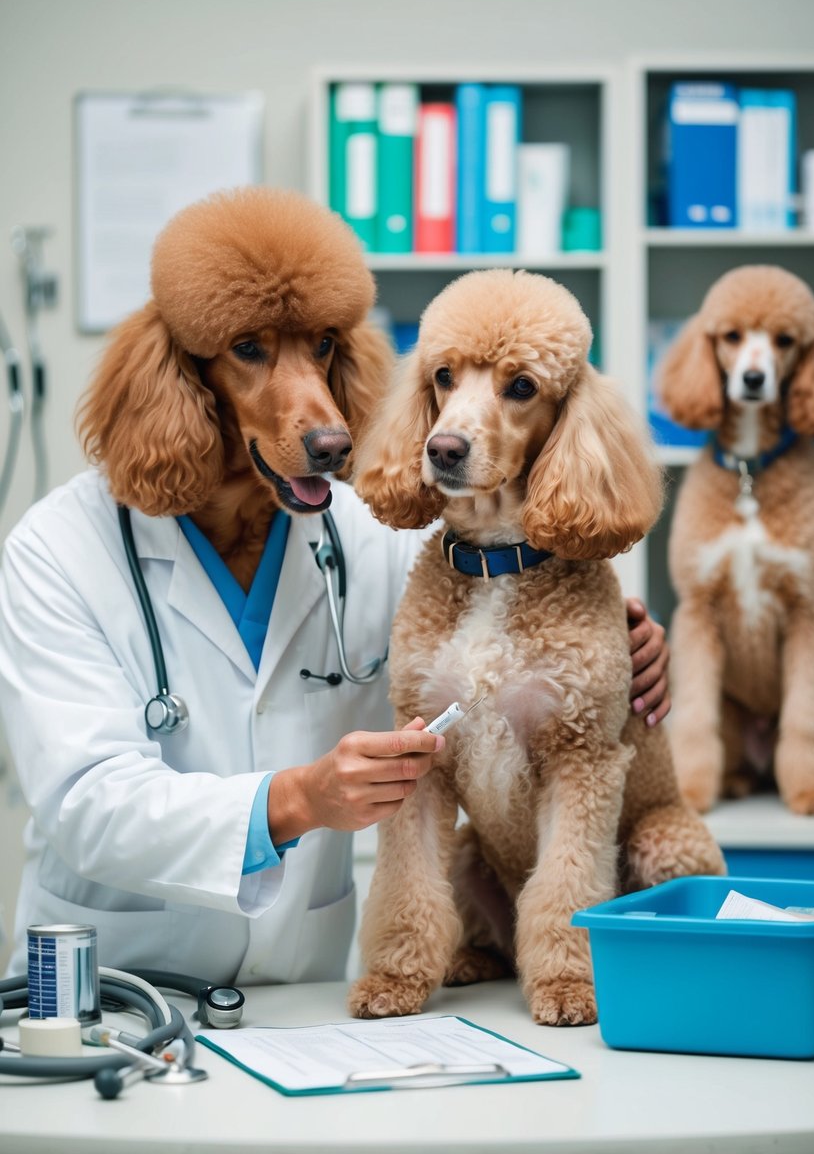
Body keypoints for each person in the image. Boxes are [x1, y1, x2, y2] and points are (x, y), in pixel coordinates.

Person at [0, 189, 670, 987]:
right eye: (249, 349)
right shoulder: (57, 549)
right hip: (112, 983)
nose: (319, 419)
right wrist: (295, 800)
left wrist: (628, 641)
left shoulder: (372, 538)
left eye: (319, 348)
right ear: (187, 373)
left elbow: (505, 629)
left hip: (300, 987)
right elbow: (83, 804)